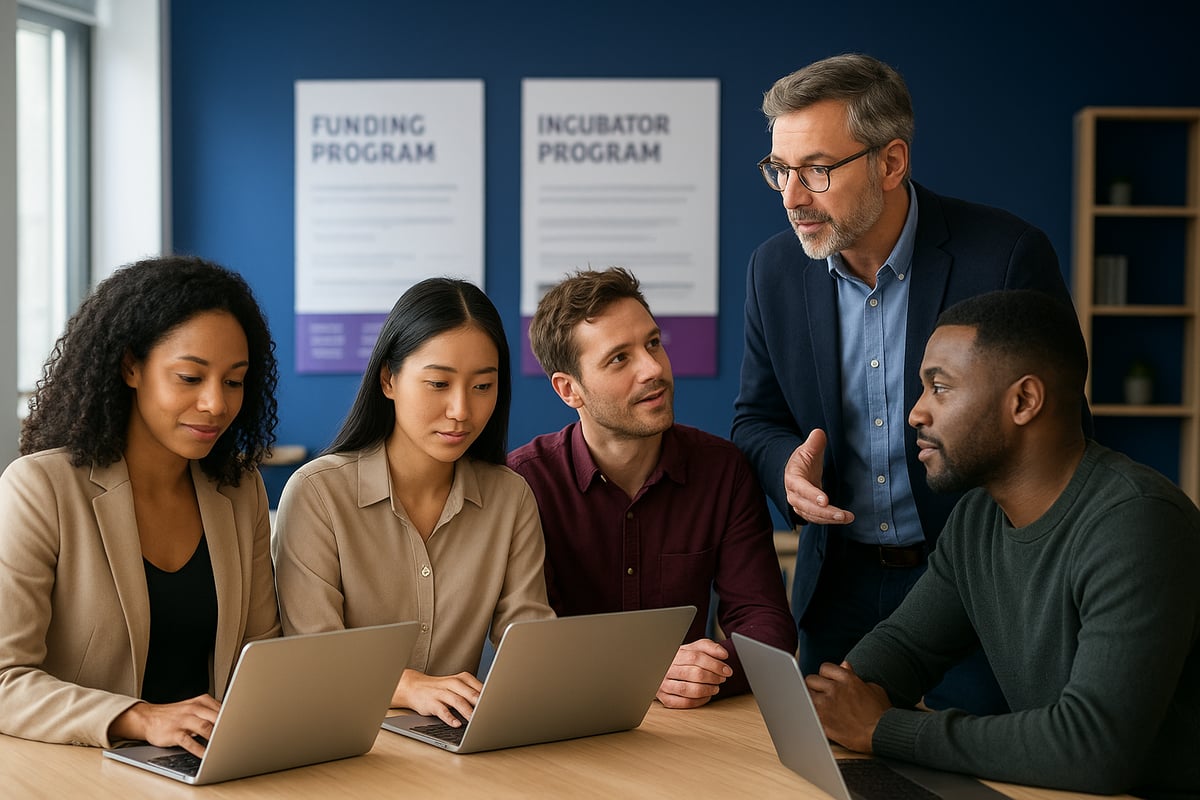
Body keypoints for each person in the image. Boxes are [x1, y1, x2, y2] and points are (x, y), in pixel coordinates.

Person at [731, 53, 1078, 712]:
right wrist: (787, 474)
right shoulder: (772, 270)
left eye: (817, 170)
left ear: (890, 163)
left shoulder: (1004, 255)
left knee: (982, 775)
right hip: (839, 587)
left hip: (984, 586)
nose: (792, 197)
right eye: (779, 171)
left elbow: (1062, 434)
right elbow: (755, 421)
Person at [806, 289, 1200, 798]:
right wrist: (834, 698)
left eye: (939, 388)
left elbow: (1094, 748)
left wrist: (883, 730)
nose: (916, 414)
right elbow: (905, 648)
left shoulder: (1137, 523)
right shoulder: (979, 517)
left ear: (1023, 401)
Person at [0, 256, 282, 755]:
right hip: (80, 770)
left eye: (233, 381)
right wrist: (137, 717)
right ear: (131, 367)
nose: (216, 403)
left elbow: (261, 657)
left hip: (208, 768)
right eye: (190, 378)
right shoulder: (41, 488)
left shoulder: (239, 490)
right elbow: (5, 680)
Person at [508, 267, 796, 709]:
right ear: (570, 390)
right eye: (619, 358)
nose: (653, 368)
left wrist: (702, 675)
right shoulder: (524, 484)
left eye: (653, 343)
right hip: (567, 722)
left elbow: (765, 624)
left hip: (690, 726)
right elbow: (530, 641)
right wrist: (646, 670)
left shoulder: (722, 470)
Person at [273, 277, 553, 729]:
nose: (462, 410)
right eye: (439, 383)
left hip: (450, 740)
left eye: (483, 386)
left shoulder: (510, 497)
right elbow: (312, 654)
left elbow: (529, 641)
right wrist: (406, 687)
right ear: (388, 379)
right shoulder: (318, 493)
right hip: (338, 737)